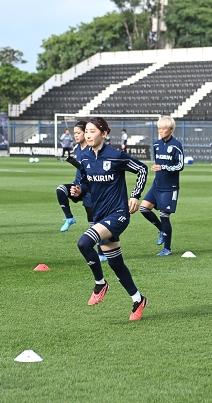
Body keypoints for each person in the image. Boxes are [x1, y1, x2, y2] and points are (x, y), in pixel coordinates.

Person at [70, 117, 149, 321]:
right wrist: (78, 191)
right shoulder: (85, 158)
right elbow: (86, 184)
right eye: (86, 131)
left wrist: (135, 195)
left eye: (92, 131)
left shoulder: (116, 156)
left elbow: (142, 169)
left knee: (84, 242)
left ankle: (100, 283)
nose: (88, 134)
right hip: (100, 216)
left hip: (118, 215)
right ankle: (138, 299)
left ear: (104, 134)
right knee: (116, 264)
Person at [56, 121, 107, 260]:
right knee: (61, 190)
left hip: (89, 188)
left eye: (78, 133)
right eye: (75, 133)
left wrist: (74, 163)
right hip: (78, 186)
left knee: (94, 222)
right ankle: (69, 218)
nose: (76, 136)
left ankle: (102, 253)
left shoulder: (92, 150)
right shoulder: (77, 148)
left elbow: (89, 169)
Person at [139, 116, 184, 256]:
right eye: (159, 128)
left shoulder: (176, 145)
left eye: (164, 129)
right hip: (157, 185)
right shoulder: (157, 145)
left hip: (169, 187)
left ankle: (167, 248)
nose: (161, 131)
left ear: (171, 130)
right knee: (143, 208)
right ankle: (160, 229)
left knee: (164, 216)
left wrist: (163, 167)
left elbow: (180, 165)